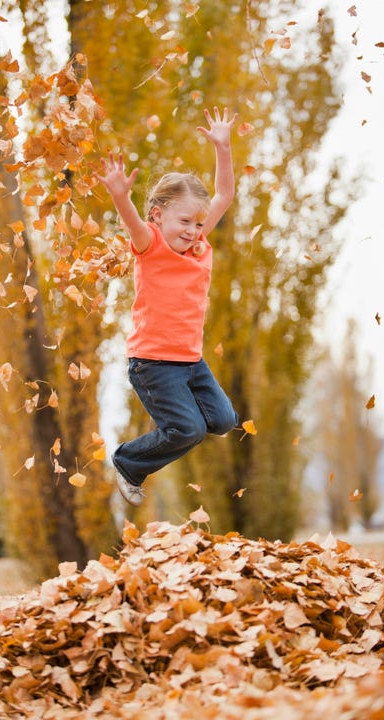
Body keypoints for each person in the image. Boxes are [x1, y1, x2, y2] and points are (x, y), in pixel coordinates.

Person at [97, 107, 239, 506]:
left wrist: (223, 148)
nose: (194, 231)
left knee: (225, 421)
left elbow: (225, 195)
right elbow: (133, 224)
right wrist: (120, 196)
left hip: (190, 361)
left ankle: (167, 437)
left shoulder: (197, 245)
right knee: (189, 430)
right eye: (184, 222)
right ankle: (128, 461)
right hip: (154, 363)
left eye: (198, 222)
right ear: (158, 216)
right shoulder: (151, 245)